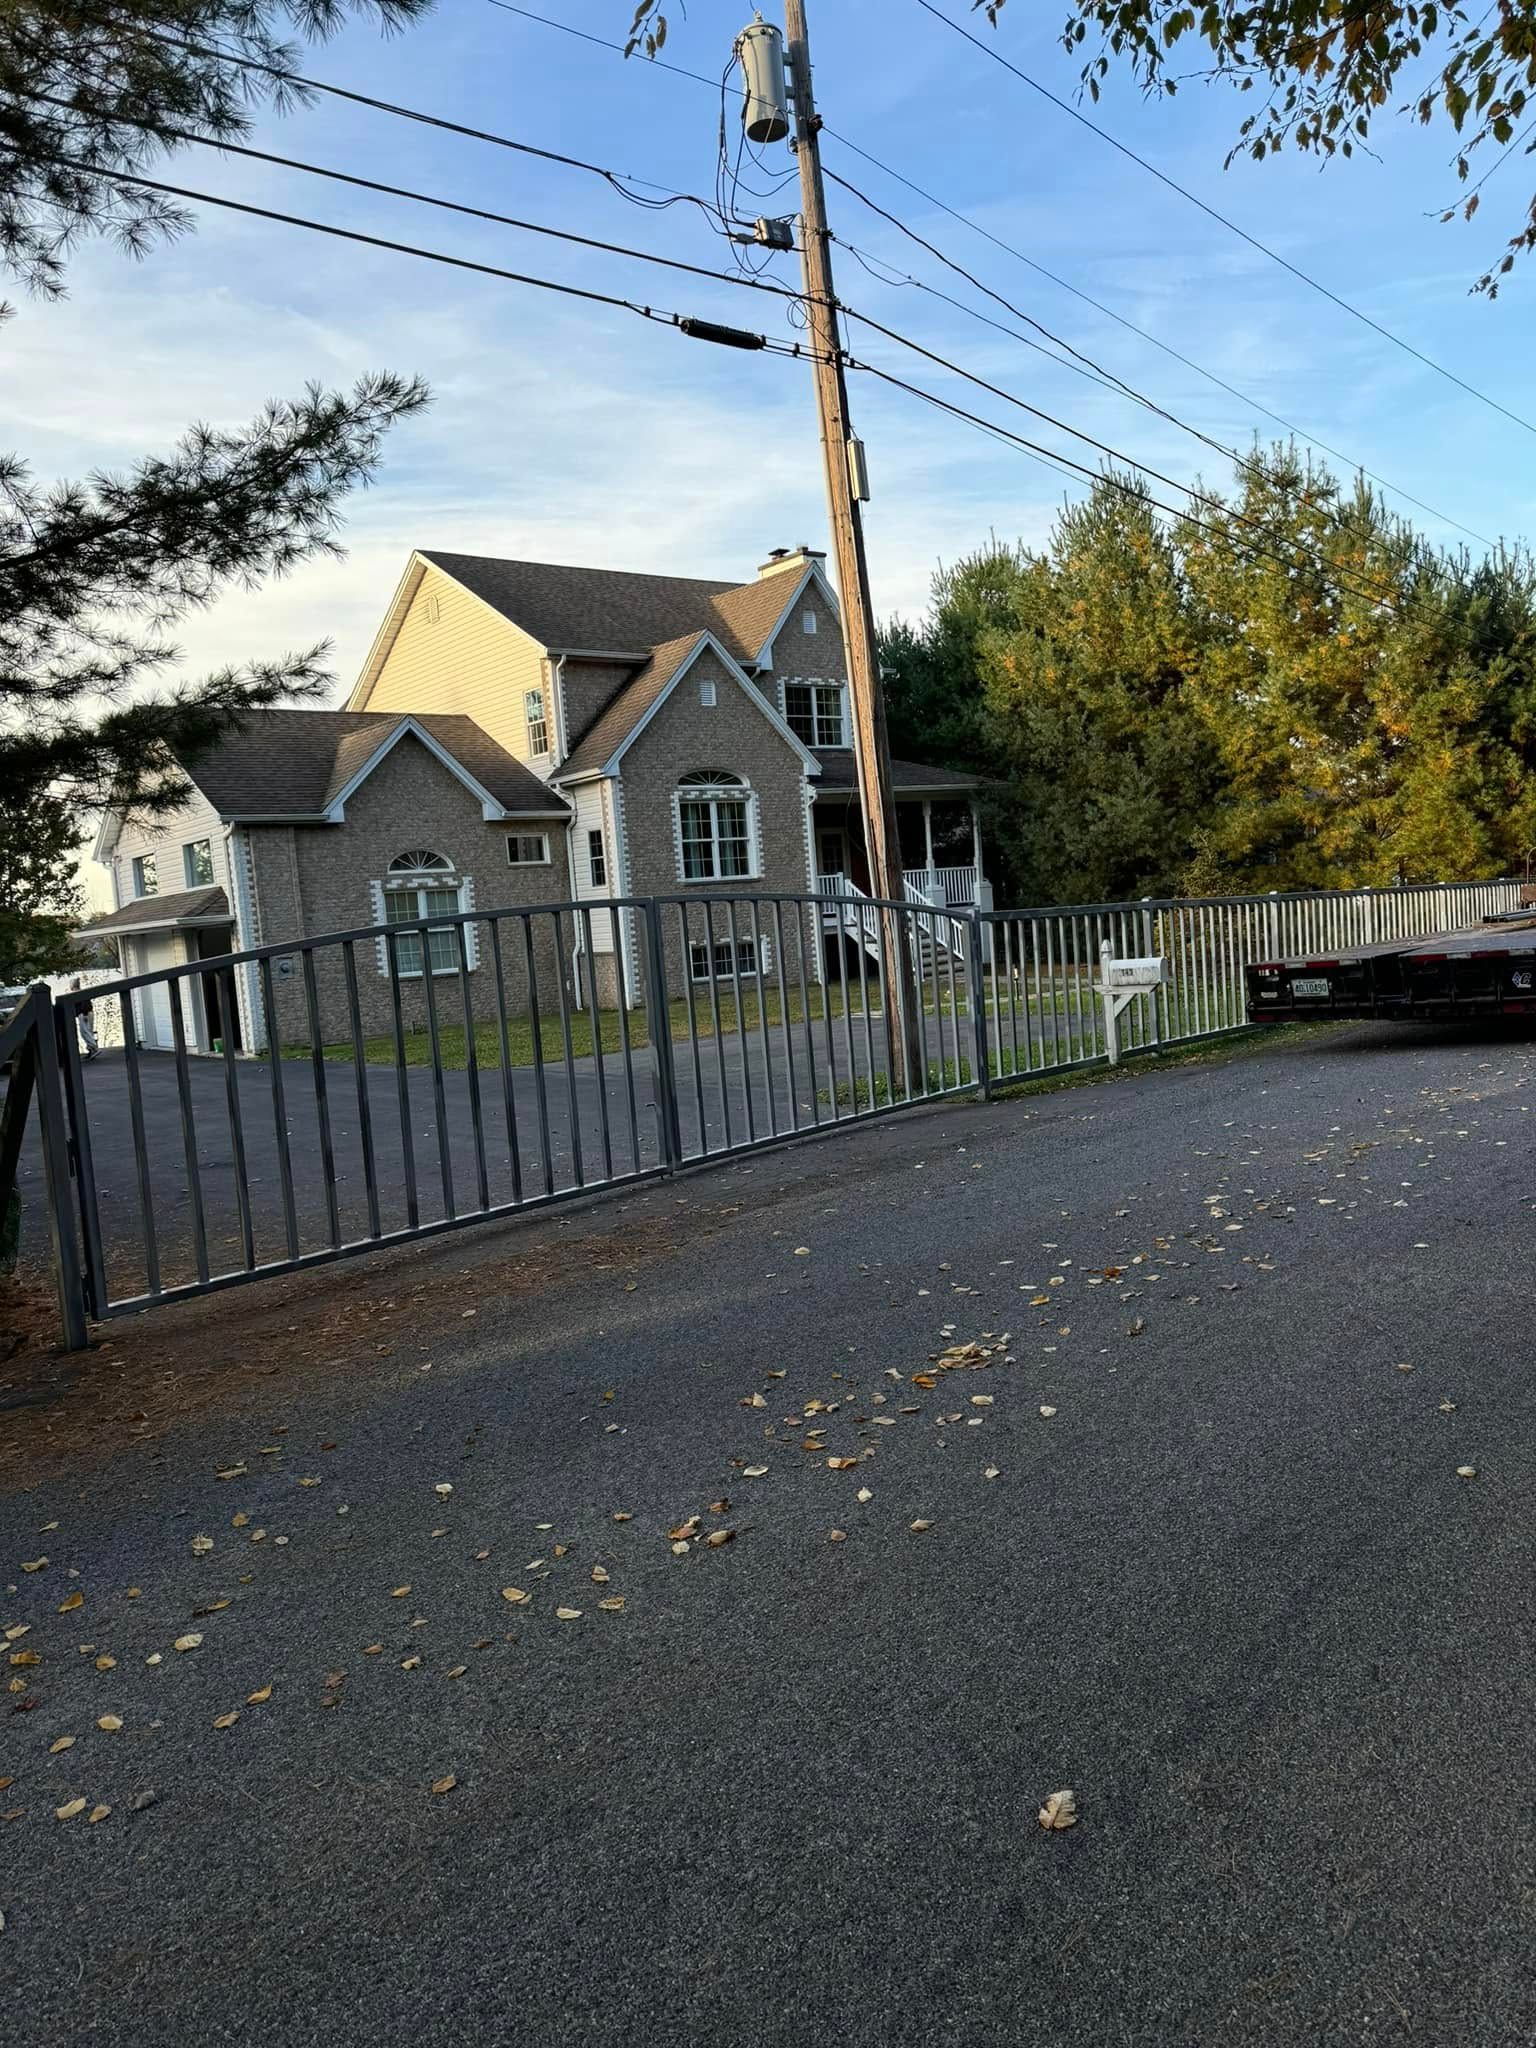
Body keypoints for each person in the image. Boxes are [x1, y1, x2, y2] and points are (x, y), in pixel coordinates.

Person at [72, 978, 99, 1060]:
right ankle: (91, 1051)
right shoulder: (80, 992)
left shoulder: (78, 993)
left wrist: (84, 1014)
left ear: (73, 985)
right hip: (87, 1014)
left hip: (84, 1014)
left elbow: (85, 1004)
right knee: (88, 1031)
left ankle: (95, 1048)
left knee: (85, 1032)